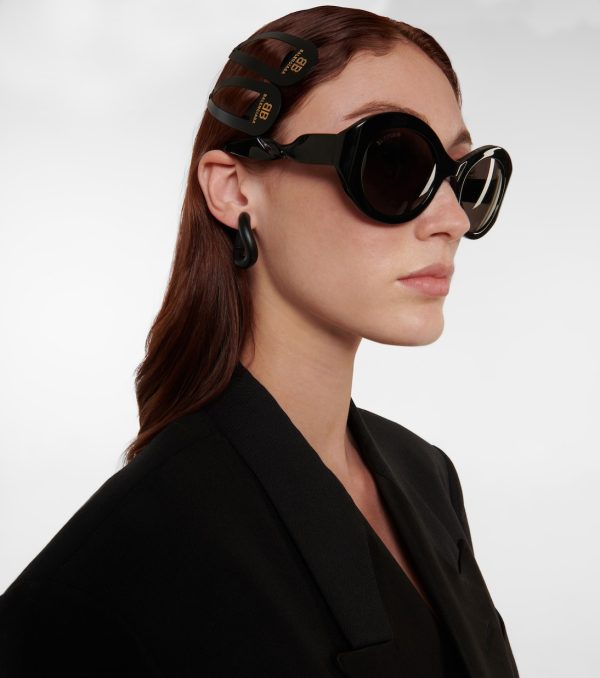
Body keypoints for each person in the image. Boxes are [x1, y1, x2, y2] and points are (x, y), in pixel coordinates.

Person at [0, 5, 519, 677]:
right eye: (394, 161)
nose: (452, 218)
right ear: (235, 189)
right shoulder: (137, 548)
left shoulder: (425, 476)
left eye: (462, 174)